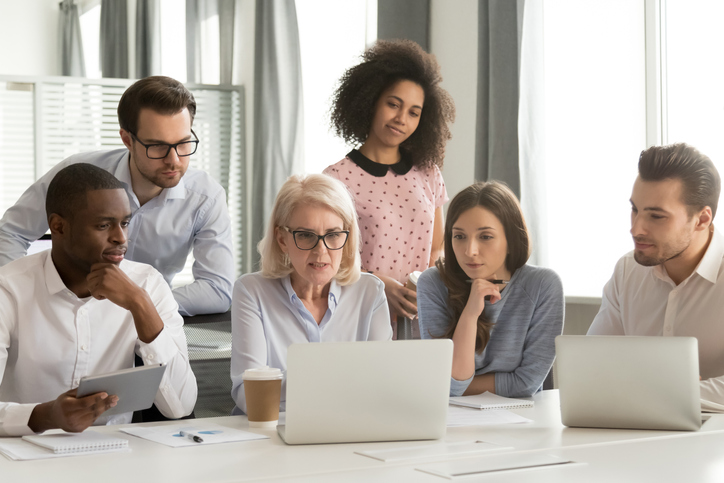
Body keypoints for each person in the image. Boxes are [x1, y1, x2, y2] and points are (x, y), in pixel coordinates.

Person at [0, 76, 234, 316]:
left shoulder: (205, 197)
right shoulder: (76, 174)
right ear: (127, 140)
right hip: (63, 313)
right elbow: (11, 232)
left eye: (183, 143)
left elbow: (217, 290)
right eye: (157, 146)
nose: (174, 160)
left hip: (145, 324)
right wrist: (22, 296)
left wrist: (137, 303)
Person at [0, 164, 197, 437]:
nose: (121, 238)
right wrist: (46, 416)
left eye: (125, 223)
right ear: (58, 226)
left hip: (113, 457)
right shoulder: (8, 290)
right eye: (104, 225)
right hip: (21, 457)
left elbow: (180, 406)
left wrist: (140, 304)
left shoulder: (146, 285)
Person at [323, 39, 455, 336]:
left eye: (413, 112)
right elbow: (329, 261)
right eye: (393, 104)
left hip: (425, 317)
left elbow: (438, 247)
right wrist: (380, 287)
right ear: (370, 101)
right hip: (363, 317)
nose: (401, 119)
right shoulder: (335, 180)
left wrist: (426, 289)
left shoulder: (428, 173)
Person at [230, 174, 392, 413]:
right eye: (306, 235)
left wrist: (295, 385)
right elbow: (249, 395)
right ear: (282, 239)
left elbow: (383, 386)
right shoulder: (252, 292)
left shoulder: (370, 292)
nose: (321, 250)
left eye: (333, 235)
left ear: (346, 238)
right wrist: (343, 382)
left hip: (348, 430)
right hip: (270, 434)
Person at [587, 143, 724, 410]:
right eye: (634, 209)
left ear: (701, 220)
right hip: (638, 431)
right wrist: (666, 389)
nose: (635, 228)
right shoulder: (628, 271)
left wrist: (671, 390)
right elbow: (592, 366)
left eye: (656, 216)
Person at [417, 181, 564, 398]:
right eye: (459, 236)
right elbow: (449, 383)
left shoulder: (543, 285)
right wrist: (470, 314)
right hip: (451, 420)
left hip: (524, 420)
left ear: (512, 240)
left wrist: (451, 387)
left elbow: (525, 384)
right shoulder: (433, 283)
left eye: (485, 237)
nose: (470, 251)